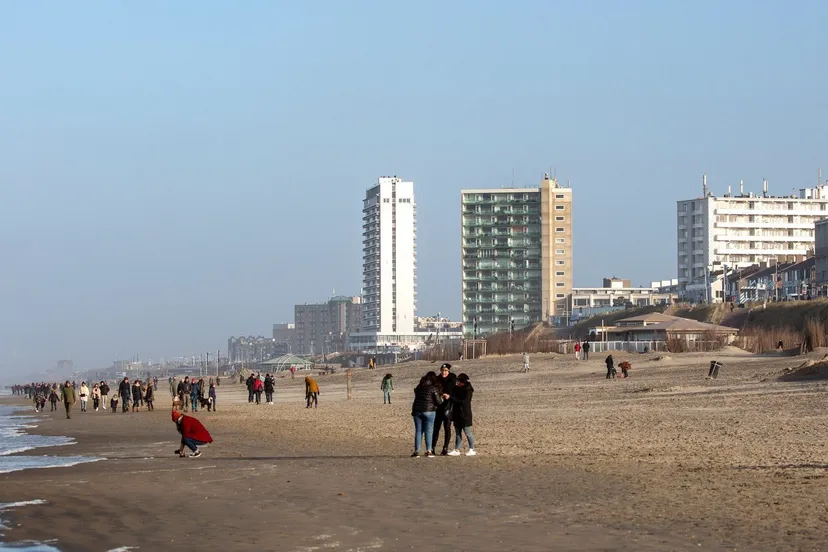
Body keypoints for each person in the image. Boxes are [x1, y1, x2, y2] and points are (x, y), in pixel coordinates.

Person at [411, 371, 441, 458]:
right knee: (429, 431)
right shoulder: (434, 388)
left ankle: (417, 451)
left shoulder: (419, 387)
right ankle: (429, 451)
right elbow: (438, 402)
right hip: (429, 411)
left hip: (417, 410)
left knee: (418, 431)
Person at [447, 373, 476, 456]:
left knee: (467, 432)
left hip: (465, 414)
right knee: (457, 433)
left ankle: (472, 449)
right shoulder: (456, 388)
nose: (457, 383)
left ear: (462, 382)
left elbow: (464, 402)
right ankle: (457, 449)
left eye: (458, 381)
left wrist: (452, 399)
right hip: (456, 413)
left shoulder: (468, 390)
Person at [432, 363, 457, 456]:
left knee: (447, 427)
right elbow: (434, 391)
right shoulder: (437, 379)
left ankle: (445, 448)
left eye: (446, 371)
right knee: (436, 428)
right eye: (442, 370)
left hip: (449, 407)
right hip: (438, 407)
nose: (444, 372)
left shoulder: (452, 379)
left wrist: (449, 396)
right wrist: (441, 394)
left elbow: (456, 392)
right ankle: (432, 448)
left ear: (449, 371)